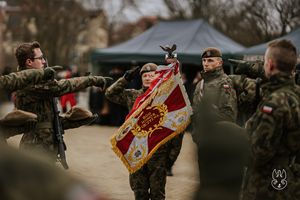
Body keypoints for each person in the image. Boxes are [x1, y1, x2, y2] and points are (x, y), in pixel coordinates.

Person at [14, 41, 111, 164]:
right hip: (35, 148)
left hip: (44, 145)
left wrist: (74, 121)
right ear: (29, 62)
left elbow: (46, 119)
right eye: (40, 58)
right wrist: (91, 80)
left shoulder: (35, 79)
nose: (44, 61)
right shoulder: (27, 82)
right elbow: (60, 87)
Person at [106, 62, 178, 200]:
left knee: (158, 194)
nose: (147, 78)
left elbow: (175, 127)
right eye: (145, 75)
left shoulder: (165, 97)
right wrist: (125, 79)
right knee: (139, 193)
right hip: (136, 151)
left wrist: (171, 157)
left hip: (157, 152)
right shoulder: (133, 95)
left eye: (151, 75)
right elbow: (110, 93)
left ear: (158, 77)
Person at [240, 39, 300, 200]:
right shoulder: (295, 95)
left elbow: (257, 153)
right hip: (291, 179)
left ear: (271, 65)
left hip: (267, 185)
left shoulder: (275, 103)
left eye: (265, 61)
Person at [192, 47, 244, 200]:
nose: (206, 64)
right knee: (205, 184)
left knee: (219, 187)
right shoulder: (200, 85)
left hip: (219, 143)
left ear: (220, 62)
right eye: (204, 61)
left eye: (210, 60)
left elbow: (228, 115)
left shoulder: (225, 83)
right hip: (203, 141)